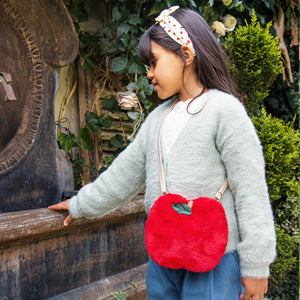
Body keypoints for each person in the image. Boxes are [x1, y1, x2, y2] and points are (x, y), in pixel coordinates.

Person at [49, 6, 276, 300]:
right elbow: (122, 176)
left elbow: (251, 190)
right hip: (164, 255)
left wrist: (257, 266)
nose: (149, 73)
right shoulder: (157, 119)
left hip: (214, 258)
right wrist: (80, 205)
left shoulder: (225, 111)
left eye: (154, 62)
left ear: (186, 55)